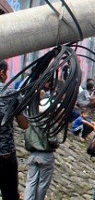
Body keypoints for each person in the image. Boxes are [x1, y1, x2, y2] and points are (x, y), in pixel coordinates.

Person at [0, 60, 29, 200]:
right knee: (10, 194)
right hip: (5, 155)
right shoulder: (11, 93)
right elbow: (24, 125)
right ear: (2, 73)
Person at [23, 96, 58, 200]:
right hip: (45, 155)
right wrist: (56, 144)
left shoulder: (32, 121)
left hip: (33, 154)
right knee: (42, 184)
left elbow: (27, 137)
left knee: (31, 182)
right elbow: (52, 139)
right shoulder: (48, 122)